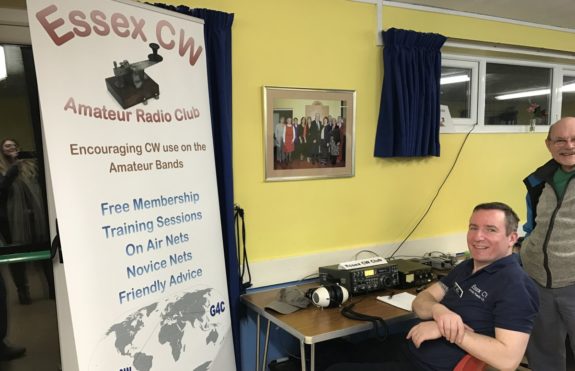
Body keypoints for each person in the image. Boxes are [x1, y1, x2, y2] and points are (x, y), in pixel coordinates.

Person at [327, 202, 539, 371]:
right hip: (411, 347)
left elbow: (507, 360)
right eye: (473, 227)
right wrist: (440, 311)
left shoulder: (516, 286)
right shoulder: (467, 267)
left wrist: (445, 329)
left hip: (426, 365)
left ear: (512, 238)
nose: (477, 236)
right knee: (328, 351)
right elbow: (421, 302)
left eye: (490, 230)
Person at [520, 116, 575, 371]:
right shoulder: (538, 180)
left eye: (574, 139)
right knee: (544, 355)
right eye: (561, 140)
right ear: (549, 145)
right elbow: (532, 225)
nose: (569, 146)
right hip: (537, 281)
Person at [0, 138, 52, 304]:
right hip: (10, 221)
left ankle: (52, 288)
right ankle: (23, 292)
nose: (11, 148)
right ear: (1, 150)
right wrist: (12, 171)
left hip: (35, 217)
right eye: (7, 146)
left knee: (45, 253)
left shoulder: (29, 166)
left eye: (14, 145)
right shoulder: (1, 169)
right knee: (17, 258)